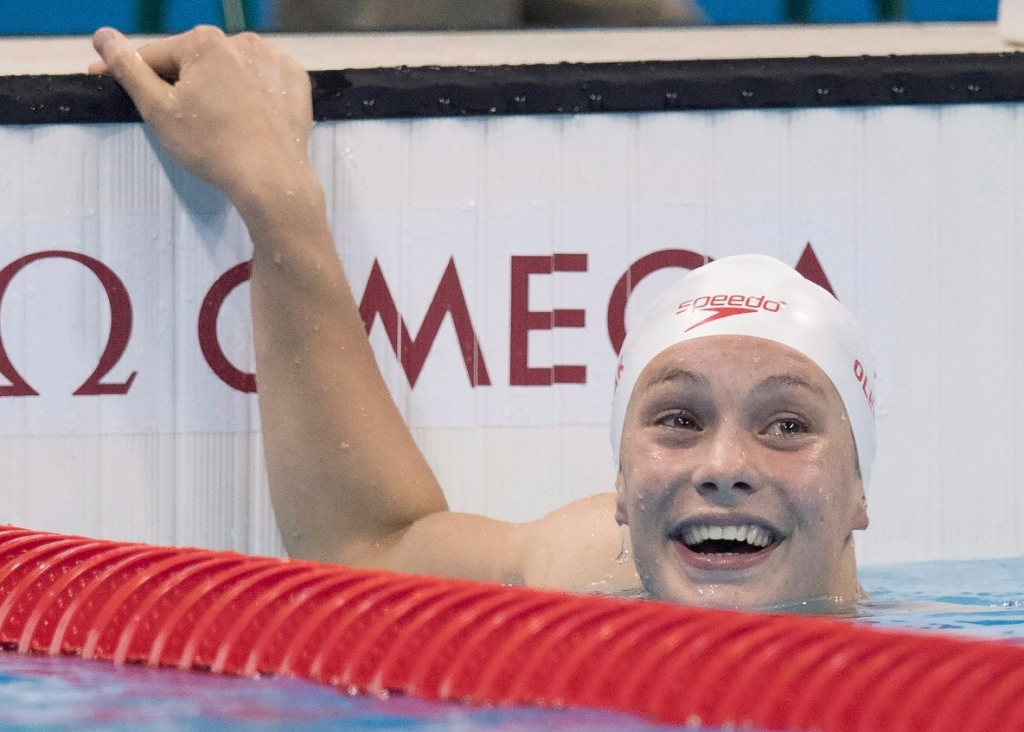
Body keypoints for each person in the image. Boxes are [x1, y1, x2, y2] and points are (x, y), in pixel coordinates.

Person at [88, 26, 873, 611]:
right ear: (623, 487)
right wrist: (277, 200)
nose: (721, 466)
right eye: (677, 418)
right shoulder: (595, 569)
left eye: (788, 426)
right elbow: (370, 551)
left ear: (863, 493)